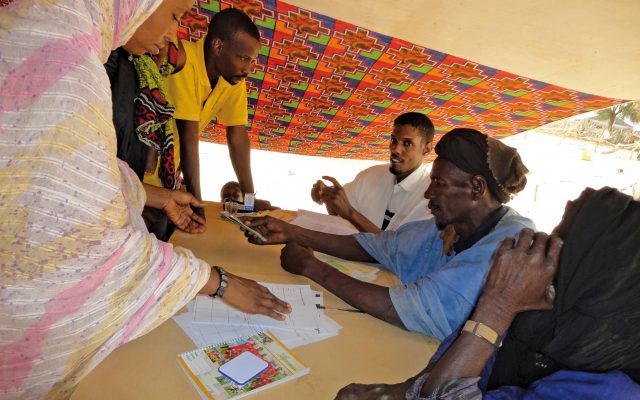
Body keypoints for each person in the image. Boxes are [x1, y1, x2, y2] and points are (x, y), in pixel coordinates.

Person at [0, 1, 290, 398]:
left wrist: (159, 196)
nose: (173, 34)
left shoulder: (50, 33)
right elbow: (83, 243)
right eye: (174, 15)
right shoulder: (71, 70)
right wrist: (216, 281)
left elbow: (80, 174)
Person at [335, 187, 640, 399]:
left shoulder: (613, 391)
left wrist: (497, 306)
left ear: (600, 277)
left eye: (562, 241)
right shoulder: (544, 317)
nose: (543, 246)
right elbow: (451, 359)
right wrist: (405, 389)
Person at [243, 128, 533, 340]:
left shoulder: (510, 247)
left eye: (439, 184)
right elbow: (380, 246)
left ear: (476, 189)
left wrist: (310, 266)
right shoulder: (455, 226)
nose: (429, 193)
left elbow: (402, 308)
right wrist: (291, 231)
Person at [161, 7, 270, 218]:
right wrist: (197, 207)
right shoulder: (185, 61)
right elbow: (189, 140)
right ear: (218, 46)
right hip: (138, 173)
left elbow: (238, 138)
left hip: (168, 180)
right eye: (243, 58)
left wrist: (249, 201)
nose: (247, 69)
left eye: (251, 60)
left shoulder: (234, 80)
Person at [106, 39, 206, 240]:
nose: (171, 34)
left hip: (140, 193)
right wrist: (142, 200)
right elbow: (98, 168)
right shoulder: (113, 67)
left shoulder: (145, 74)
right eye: (173, 16)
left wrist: (155, 198)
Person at [311, 112, 435, 233]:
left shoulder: (431, 197)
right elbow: (339, 215)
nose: (395, 149)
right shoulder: (370, 176)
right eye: (393, 140)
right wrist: (326, 196)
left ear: (427, 148)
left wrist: (351, 213)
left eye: (407, 143)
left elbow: (396, 250)